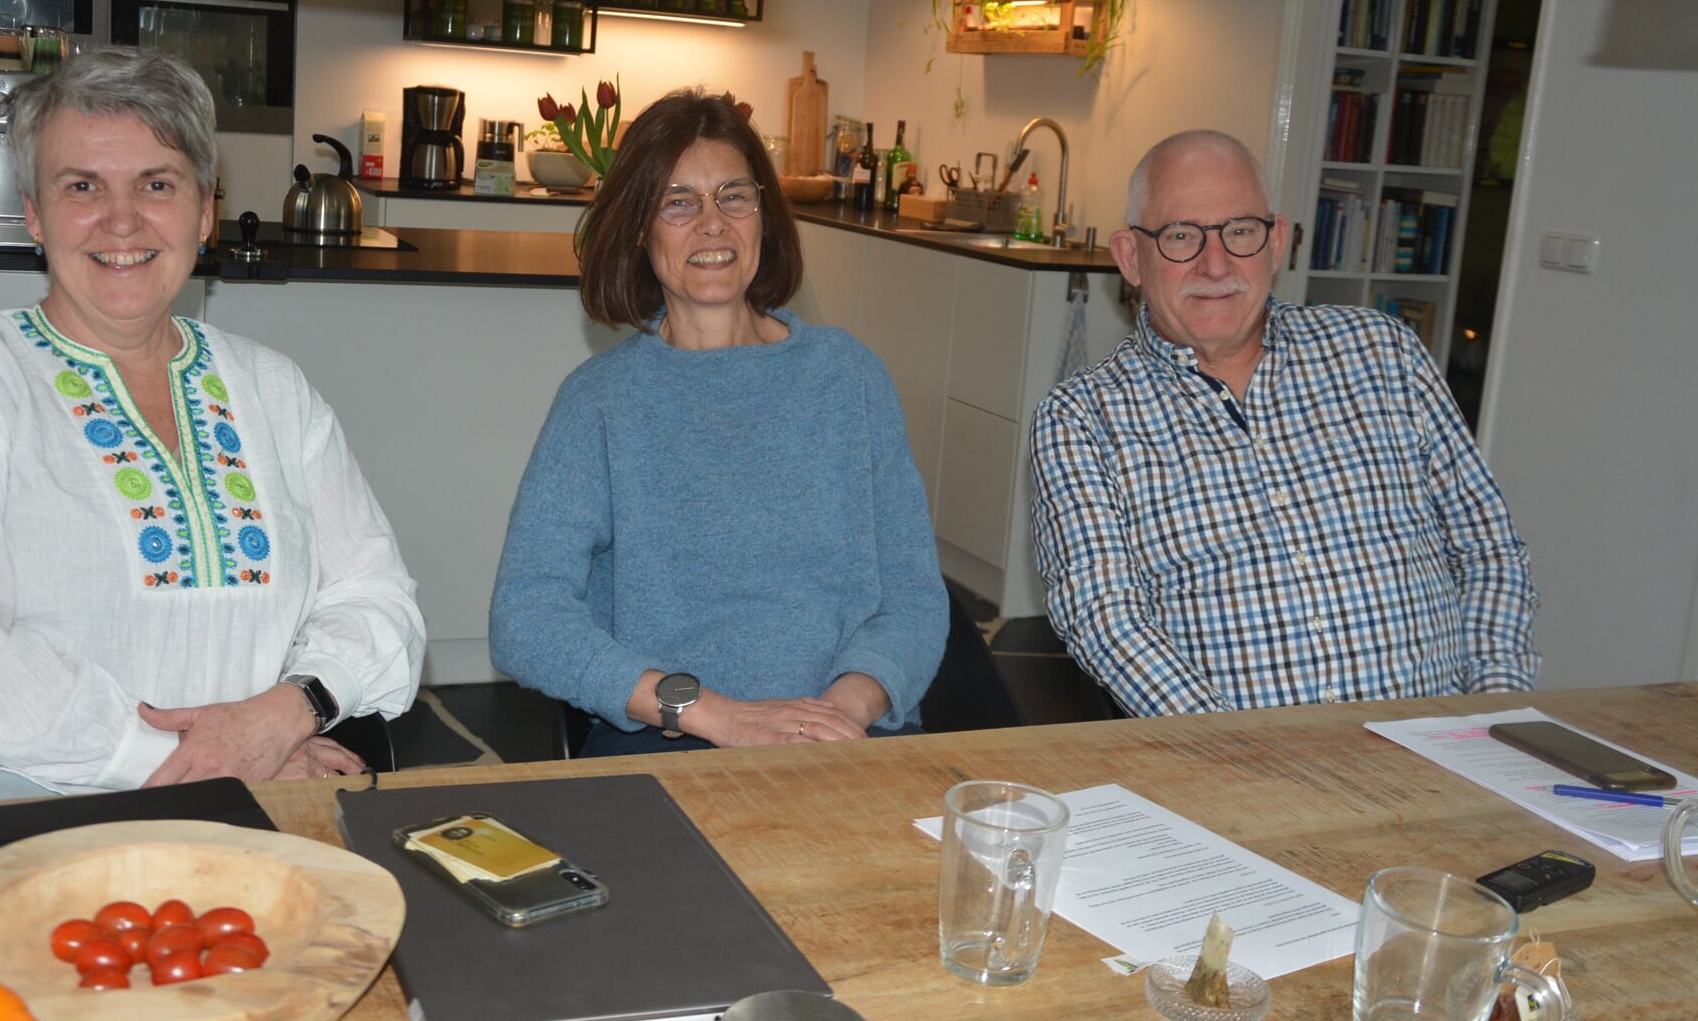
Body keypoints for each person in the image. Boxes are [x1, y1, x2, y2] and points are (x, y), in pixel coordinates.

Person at [0, 48, 426, 801]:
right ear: (35, 215)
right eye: (82, 185)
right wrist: (199, 761)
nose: (121, 220)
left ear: (205, 212)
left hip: (251, 788)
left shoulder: (273, 390)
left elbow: (378, 598)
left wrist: (284, 717)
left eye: (157, 184)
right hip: (0, 810)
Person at [488, 89, 947, 757]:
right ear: (640, 229)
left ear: (765, 216)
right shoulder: (599, 402)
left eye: (734, 195)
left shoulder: (849, 377)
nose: (713, 224)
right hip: (671, 734)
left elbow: (913, 595)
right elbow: (525, 618)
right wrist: (715, 715)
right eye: (678, 201)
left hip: (846, 731)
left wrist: (836, 714)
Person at [1029, 129, 1537, 717]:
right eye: (1180, 236)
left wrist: (1495, 713)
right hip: (1237, 767)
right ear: (1130, 257)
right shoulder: (1081, 420)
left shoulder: (1383, 353)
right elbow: (1106, 619)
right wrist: (1246, 751)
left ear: (1277, 243)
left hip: (1439, 745)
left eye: (1240, 232)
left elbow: (1488, 548)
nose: (1215, 264)